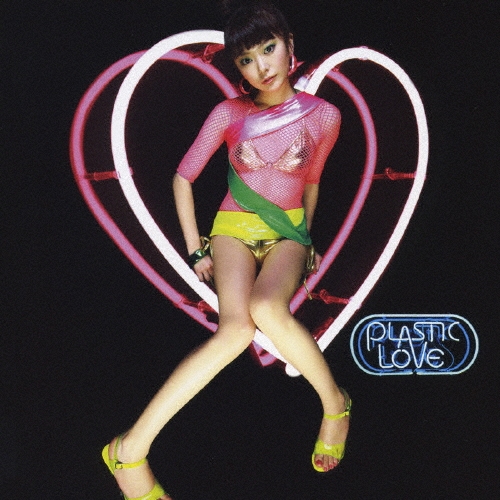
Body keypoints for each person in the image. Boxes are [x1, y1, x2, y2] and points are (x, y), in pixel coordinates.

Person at [102, 3, 350, 499]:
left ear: (289, 45)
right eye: (246, 59)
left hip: (288, 232)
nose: (262, 66)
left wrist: (308, 240)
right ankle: (128, 451)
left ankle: (335, 406)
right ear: (237, 67)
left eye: (269, 49)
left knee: (267, 308)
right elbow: (183, 177)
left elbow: (312, 181)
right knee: (235, 331)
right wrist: (196, 251)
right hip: (232, 230)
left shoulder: (326, 115)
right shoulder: (228, 114)